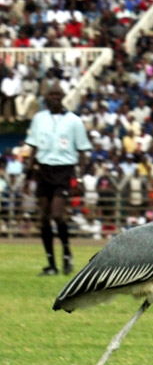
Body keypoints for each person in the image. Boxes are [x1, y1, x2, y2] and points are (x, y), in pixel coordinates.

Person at [25, 83, 92, 276]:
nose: (54, 96)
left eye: (57, 94)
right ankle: (51, 264)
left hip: (64, 170)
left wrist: (78, 178)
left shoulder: (74, 121)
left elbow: (82, 151)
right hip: (43, 169)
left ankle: (67, 252)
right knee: (44, 218)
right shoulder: (39, 119)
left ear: (62, 96)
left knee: (56, 214)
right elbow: (34, 147)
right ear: (46, 97)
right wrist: (29, 171)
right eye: (51, 94)